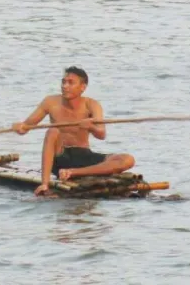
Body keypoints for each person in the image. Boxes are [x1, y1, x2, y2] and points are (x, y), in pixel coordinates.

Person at [12, 66, 136, 196]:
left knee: (128, 159)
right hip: (60, 156)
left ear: (83, 87)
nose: (65, 86)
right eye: (63, 82)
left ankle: (73, 172)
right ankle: (45, 184)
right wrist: (19, 126)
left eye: (70, 83)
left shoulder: (91, 104)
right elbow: (25, 128)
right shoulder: (50, 102)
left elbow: (101, 134)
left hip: (84, 156)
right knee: (53, 131)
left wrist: (90, 126)